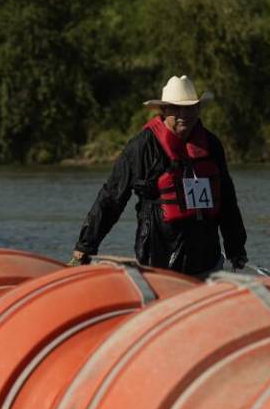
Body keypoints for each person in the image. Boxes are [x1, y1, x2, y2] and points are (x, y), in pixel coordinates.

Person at [70, 75, 248, 276]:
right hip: (158, 259)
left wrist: (236, 248)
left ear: (198, 109)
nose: (184, 114)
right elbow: (112, 197)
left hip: (206, 259)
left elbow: (227, 200)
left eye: (190, 108)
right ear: (164, 110)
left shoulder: (211, 145)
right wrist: (86, 245)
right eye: (176, 108)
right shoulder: (141, 147)